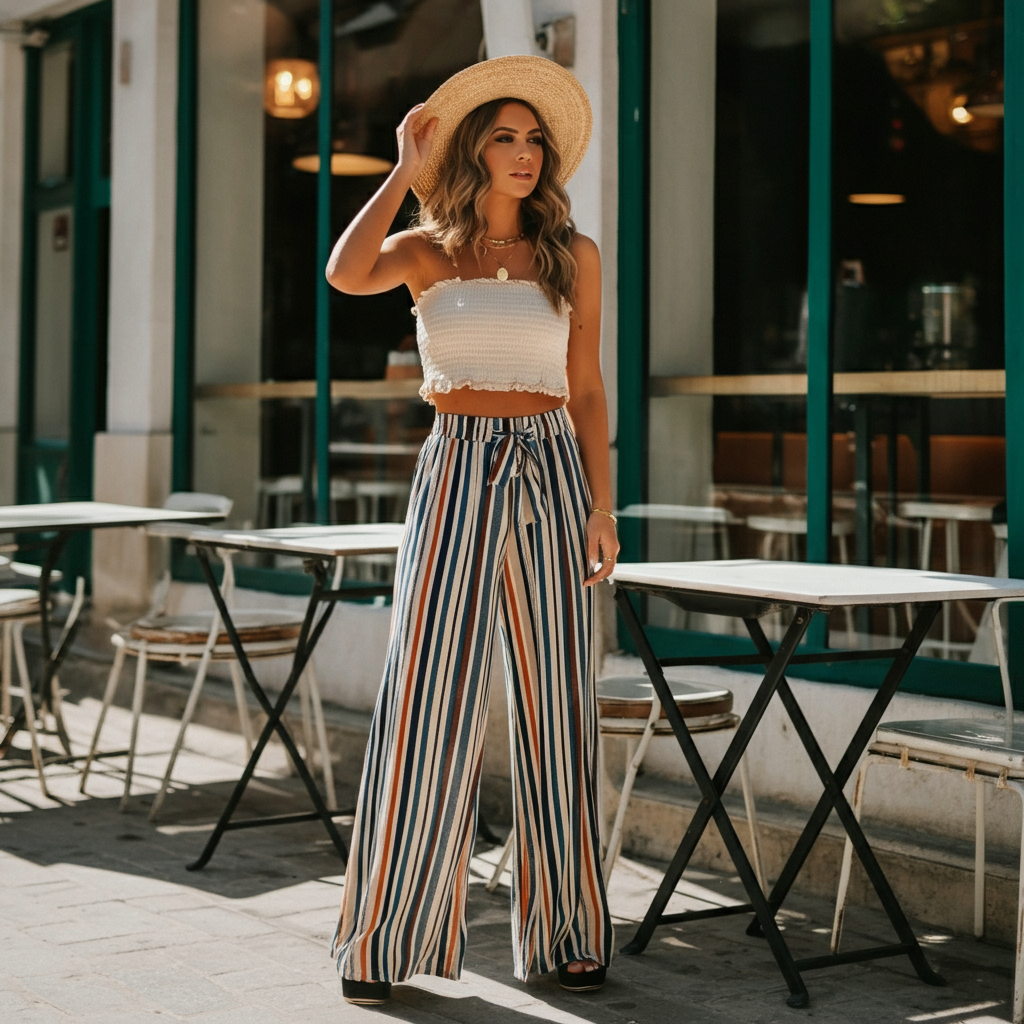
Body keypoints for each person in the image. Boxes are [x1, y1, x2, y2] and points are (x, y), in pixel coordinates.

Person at [326, 55, 618, 1006]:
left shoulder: (575, 256)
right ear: (471, 150)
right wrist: (401, 174)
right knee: (427, 698)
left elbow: (583, 386)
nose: (525, 153)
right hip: (456, 466)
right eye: (505, 136)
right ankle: (382, 937)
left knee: (556, 704)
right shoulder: (425, 249)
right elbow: (344, 273)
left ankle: (570, 932)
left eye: (536, 139)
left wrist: (602, 505)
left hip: (550, 467)